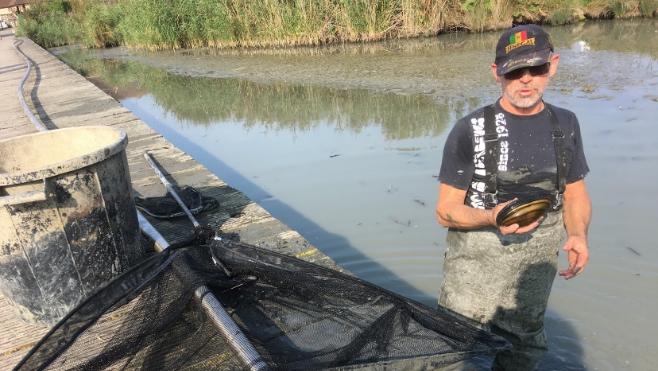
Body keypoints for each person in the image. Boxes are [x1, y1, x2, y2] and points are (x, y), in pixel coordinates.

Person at [435, 24, 591, 371]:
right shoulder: (469, 129)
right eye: (514, 70)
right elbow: (445, 211)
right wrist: (492, 217)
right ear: (497, 73)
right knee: (450, 347)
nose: (526, 79)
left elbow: (576, 193)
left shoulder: (566, 123)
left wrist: (578, 234)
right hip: (474, 263)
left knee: (525, 348)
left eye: (536, 68)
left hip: (535, 265)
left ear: (553, 65)